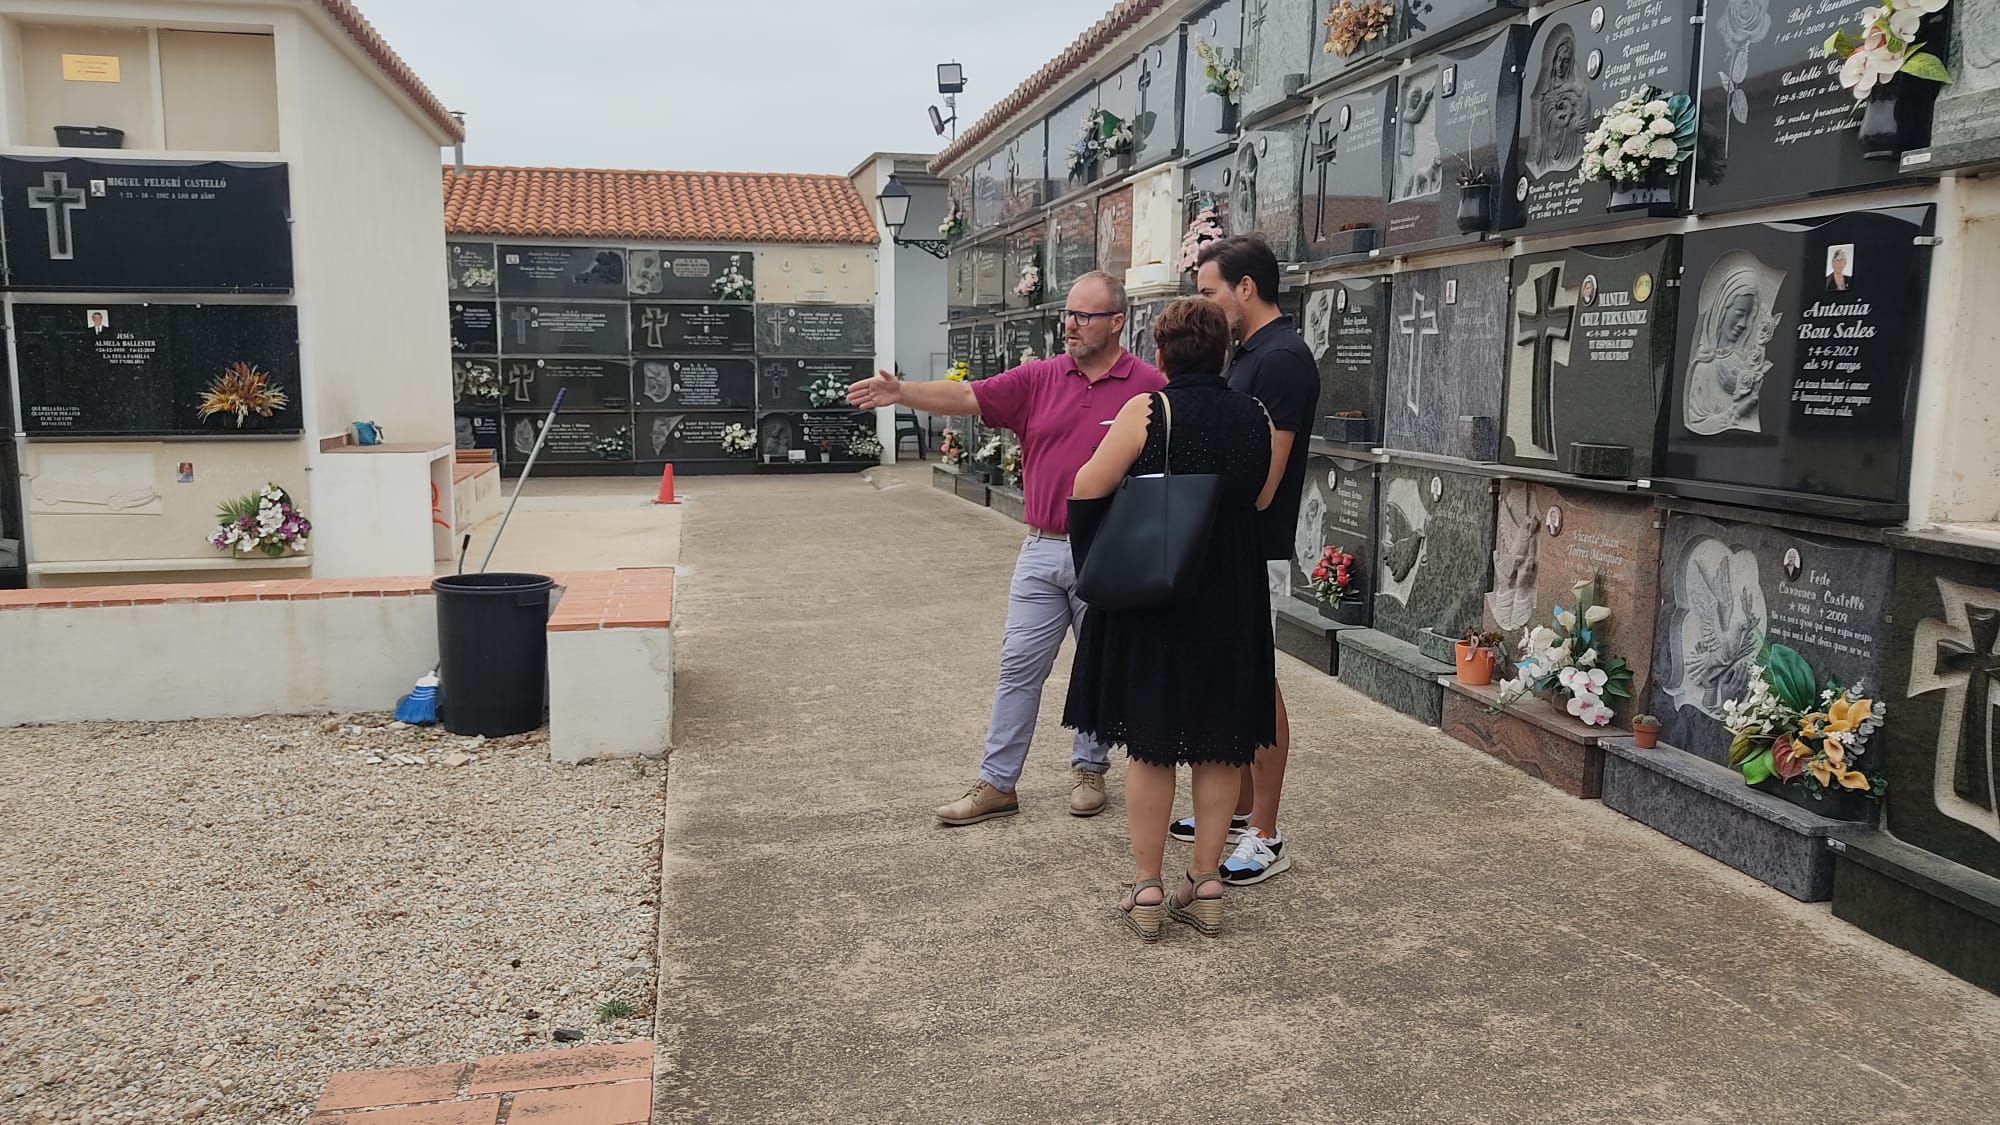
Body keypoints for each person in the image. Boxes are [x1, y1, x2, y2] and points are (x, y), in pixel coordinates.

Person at [848, 271, 1165, 824]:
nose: (1070, 325)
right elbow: (969, 396)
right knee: (1018, 665)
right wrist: (902, 392)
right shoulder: (1041, 378)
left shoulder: (1148, 385)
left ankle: (1090, 768)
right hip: (1043, 548)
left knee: (1099, 667)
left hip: (1112, 553)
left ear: (1117, 322)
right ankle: (997, 783)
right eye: (1068, 313)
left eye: (1084, 316)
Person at [1063, 297, 1283, 940]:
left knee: (1153, 748)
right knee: (1218, 744)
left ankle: (1149, 888)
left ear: (1160, 355)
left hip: (1156, 597)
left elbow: (1086, 485)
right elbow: (1262, 497)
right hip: (1231, 595)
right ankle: (1207, 882)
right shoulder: (1257, 414)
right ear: (1223, 354)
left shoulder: (1149, 409)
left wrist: (1100, 564)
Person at [1190, 235, 1321, 886]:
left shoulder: (1282, 361)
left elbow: (1263, 481)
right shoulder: (1247, 356)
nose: (1203, 305)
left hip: (1254, 546)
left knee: (1256, 684)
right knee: (1232, 681)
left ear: (1246, 288)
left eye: (1209, 291)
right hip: (1228, 545)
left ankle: (1267, 832)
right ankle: (1239, 809)